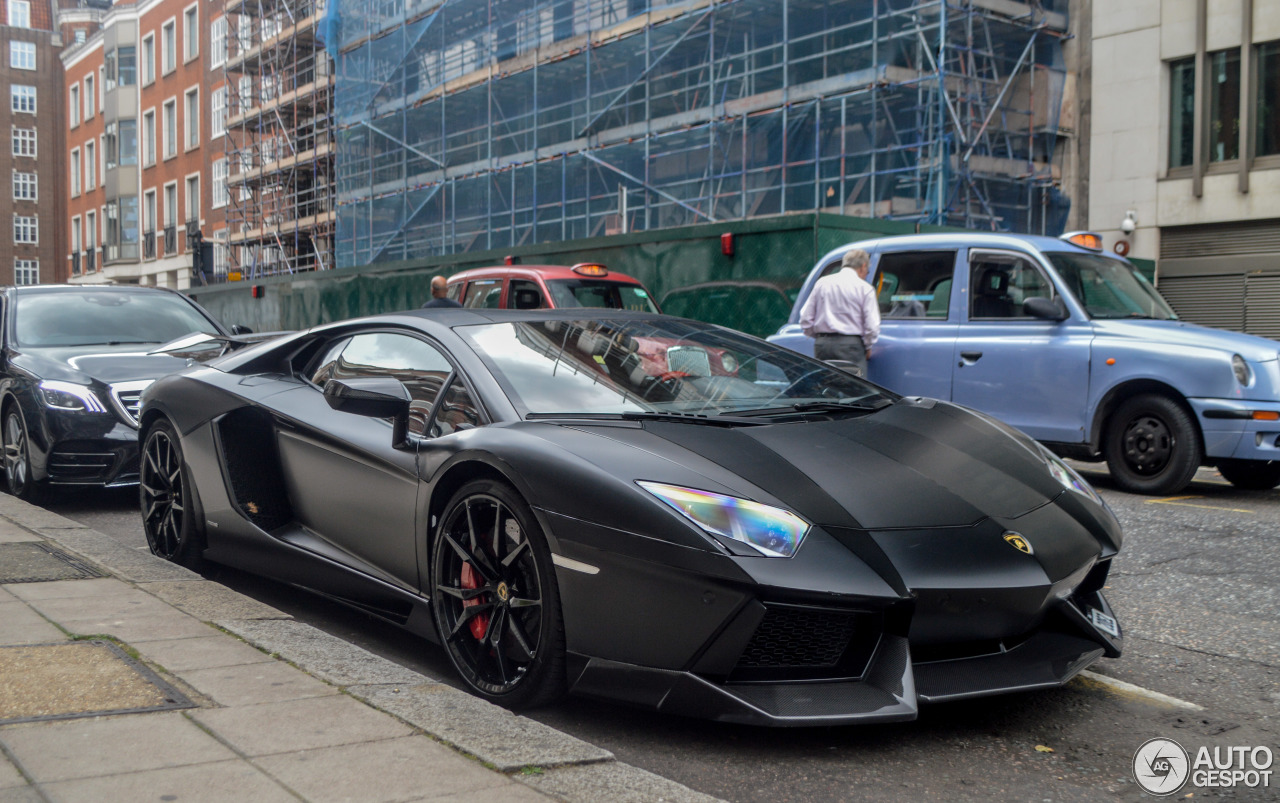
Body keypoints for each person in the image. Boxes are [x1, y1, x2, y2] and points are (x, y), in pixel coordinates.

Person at [798, 248, 880, 377]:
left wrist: (821, 337)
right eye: (867, 271)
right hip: (851, 346)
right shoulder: (865, 288)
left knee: (825, 386)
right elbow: (872, 326)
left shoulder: (822, 283)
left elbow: (805, 318)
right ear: (863, 266)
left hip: (822, 345)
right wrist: (868, 346)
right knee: (856, 389)